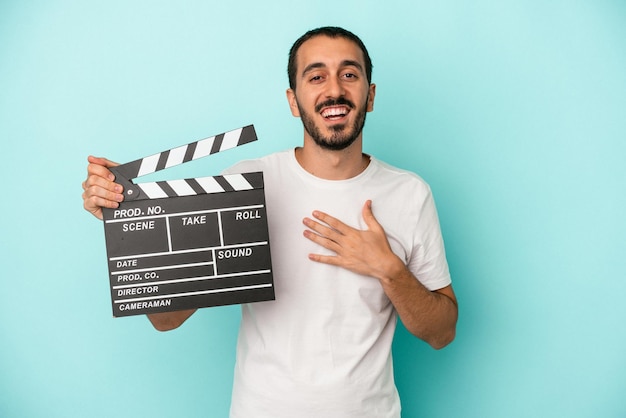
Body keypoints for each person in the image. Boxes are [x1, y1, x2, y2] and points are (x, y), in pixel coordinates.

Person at [82, 26, 458, 418]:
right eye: (316, 76)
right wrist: (123, 220)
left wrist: (389, 269)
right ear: (293, 101)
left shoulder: (409, 194)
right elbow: (166, 318)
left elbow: (442, 332)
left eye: (349, 74)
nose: (334, 89)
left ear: (371, 94)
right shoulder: (245, 187)